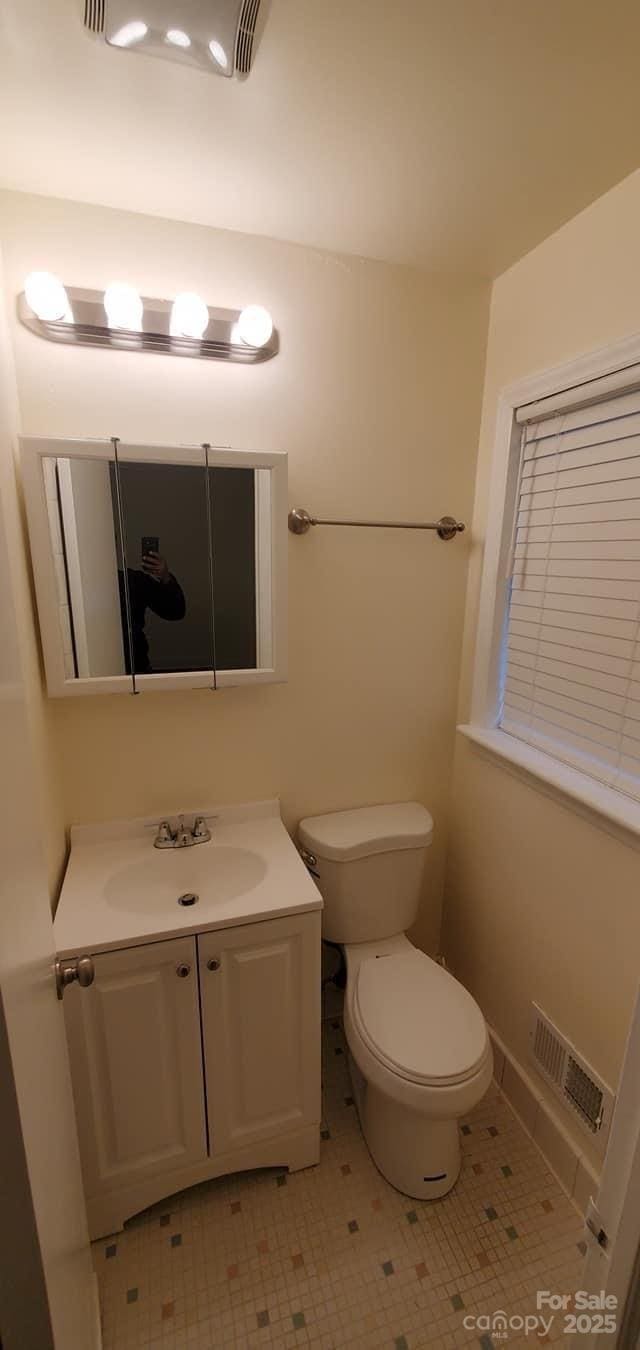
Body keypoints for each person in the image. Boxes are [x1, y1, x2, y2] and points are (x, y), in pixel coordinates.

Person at [118, 550, 186, 674]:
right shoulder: (80, 586)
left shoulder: (133, 581)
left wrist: (165, 578)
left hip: (137, 665)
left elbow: (176, 611)